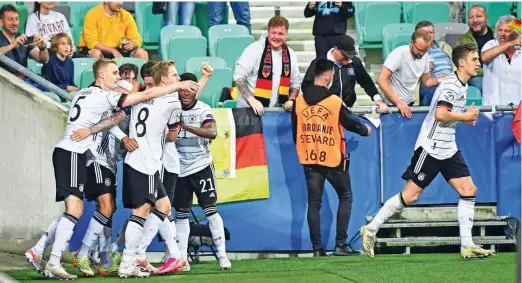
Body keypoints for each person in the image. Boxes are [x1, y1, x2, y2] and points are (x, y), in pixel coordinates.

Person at [23, 59, 197, 280]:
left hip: (85, 154)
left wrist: (96, 129)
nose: (120, 79)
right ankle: (77, 255)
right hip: (90, 156)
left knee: (84, 209)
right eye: (115, 73)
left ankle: (43, 251)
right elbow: (137, 100)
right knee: (94, 208)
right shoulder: (105, 96)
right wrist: (176, 87)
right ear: (102, 75)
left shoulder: (84, 93)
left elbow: (115, 116)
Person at [359, 43, 496, 259]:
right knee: (411, 196)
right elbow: (441, 114)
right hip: (431, 148)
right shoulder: (451, 85)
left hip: (448, 148)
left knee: (469, 190)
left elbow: (446, 116)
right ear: (461, 62)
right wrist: (465, 117)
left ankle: (467, 245)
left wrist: (463, 119)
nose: (478, 63)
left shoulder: (461, 85)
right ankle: (371, 229)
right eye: (474, 59)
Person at [117, 61, 199, 278]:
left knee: (163, 205)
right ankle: (128, 262)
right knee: (141, 212)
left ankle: (140, 255)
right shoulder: (170, 102)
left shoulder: (145, 96)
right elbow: (173, 135)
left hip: (140, 162)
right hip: (145, 164)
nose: (178, 78)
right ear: (164, 80)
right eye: (175, 74)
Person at [292, 58, 372, 256]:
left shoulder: (299, 101)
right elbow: (351, 122)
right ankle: (340, 244)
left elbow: (296, 132)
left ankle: (317, 249)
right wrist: (366, 130)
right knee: (345, 196)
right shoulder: (334, 101)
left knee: (314, 202)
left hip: (309, 158)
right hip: (332, 158)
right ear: (328, 76)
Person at [173, 72, 231, 270]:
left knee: (211, 211)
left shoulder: (203, 109)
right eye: (183, 89)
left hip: (200, 166)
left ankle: (223, 256)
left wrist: (186, 127)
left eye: (190, 89)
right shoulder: (171, 108)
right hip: (179, 169)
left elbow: (212, 132)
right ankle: (182, 259)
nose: (186, 93)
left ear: (195, 90)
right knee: (181, 214)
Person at [161, 66, 213, 271]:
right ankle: (141, 254)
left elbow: (189, 95)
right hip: (160, 162)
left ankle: (174, 255)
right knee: (155, 210)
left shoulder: (175, 100)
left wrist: (205, 77)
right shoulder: (163, 99)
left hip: (175, 165)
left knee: (164, 210)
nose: (183, 88)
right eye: (175, 77)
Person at [234, 16, 301, 115]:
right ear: (268, 32)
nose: (276, 37)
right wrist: (252, 100)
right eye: (273, 33)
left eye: (280, 34)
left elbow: (295, 82)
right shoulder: (253, 49)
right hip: (248, 110)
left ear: (286, 34)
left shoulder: (291, 54)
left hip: (276, 112)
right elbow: (239, 77)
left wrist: (291, 100)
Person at [375, 29, 442, 118]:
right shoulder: (399, 54)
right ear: (411, 42)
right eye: (419, 49)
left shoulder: (425, 56)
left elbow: (426, 80)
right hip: (391, 105)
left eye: (425, 50)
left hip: (408, 104)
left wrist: (438, 79)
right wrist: (399, 103)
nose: (421, 53)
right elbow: (381, 80)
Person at [302, 35, 379, 108]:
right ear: (335, 49)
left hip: (347, 108)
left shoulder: (354, 62)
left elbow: (366, 81)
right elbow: (307, 86)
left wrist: (377, 98)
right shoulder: (320, 62)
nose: (348, 58)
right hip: (326, 109)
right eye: (345, 55)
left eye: (350, 55)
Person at [78, 2, 148, 60]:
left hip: (117, 49)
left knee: (142, 53)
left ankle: (146, 76)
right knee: (95, 53)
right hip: (96, 49)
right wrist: (113, 51)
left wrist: (132, 44)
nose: (121, 3)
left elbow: (137, 40)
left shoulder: (126, 15)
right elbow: (92, 43)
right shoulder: (92, 14)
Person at [480, 15, 521, 106]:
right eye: (500, 30)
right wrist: (510, 43)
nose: (502, 34)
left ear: (515, 33)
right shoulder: (491, 45)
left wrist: (518, 24)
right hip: (493, 111)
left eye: (507, 31)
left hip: (518, 110)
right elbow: (484, 57)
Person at [0, 4, 49, 79]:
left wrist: (42, 47)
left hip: (24, 83)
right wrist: (13, 45)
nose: (15, 23)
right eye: (10, 19)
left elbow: (43, 60)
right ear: (1, 22)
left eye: (16, 19)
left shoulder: (22, 38)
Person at [456, 5, 495, 92]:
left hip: (501, 72)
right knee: (478, 83)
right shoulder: (463, 41)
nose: (474, 20)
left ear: (486, 18)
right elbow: (468, 67)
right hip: (478, 76)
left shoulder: (498, 32)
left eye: (479, 16)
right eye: (470, 17)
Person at [415, 21, 454, 106]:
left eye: (431, 32)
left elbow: (456, 65)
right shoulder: (414, 51)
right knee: (435, 93)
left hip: (450, 81)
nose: (428, 35)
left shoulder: (443, 47)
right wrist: (422, 69)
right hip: (429, 82)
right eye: (425, 33)